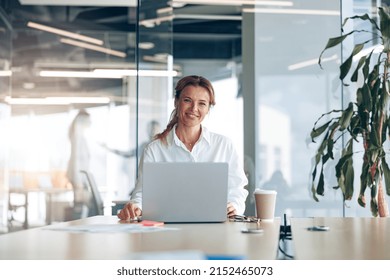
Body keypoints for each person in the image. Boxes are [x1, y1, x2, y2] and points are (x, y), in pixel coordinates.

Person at [117, 75, 248, 220]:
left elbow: (238, 188)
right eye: (187, 100)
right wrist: (136, 207)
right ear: (176, 102)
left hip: (215, 228)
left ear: (208, 108)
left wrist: (234, 205)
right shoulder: (155, 149)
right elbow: (142, 193)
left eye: (202, 104)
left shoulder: (224, 145)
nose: (194, 109)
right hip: (167, 230)